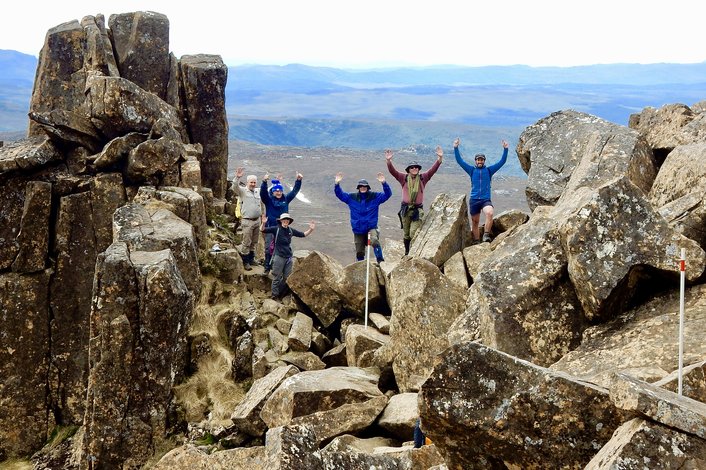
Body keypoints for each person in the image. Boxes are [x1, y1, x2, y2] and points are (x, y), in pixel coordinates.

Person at [385, 146, 443, 255]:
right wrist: (388, 161)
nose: (414, 169)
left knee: (413, 232)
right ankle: (407, 252)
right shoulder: (403, 178)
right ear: (408, 170)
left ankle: (414, 252)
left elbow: (432, 170)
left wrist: (439, 159)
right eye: (412, 167)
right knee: (406, 233)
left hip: (417, 210)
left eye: (416, 167)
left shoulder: (423, 178)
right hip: (405, 209)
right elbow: (393, 172)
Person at [454, 138, 509, 243]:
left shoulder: (489, 170)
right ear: (475, 161)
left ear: (484, 161)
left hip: (485, 199)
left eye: (482, 160)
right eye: (478, 159)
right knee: (475, 222)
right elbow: (459, 161)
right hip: (474, 200)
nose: (480, 161)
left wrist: (505, 149)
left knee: (490, 213)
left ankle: (486, 235)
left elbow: (502, 162)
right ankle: (476, 241)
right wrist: (456, 147)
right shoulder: (471, 170)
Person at [334, 172, 392, 263]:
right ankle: (361, 265)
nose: (363, 188)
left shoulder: (375, 197)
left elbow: (388, 194)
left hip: (371, 227)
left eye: (365, 186)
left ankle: (380, 261)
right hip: (358, 228)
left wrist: (384, 183)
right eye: (361, 186)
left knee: (374, 241)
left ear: (368, 187)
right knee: (359, 250)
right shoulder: (351, 198)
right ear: (358, 188)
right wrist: (337, 184)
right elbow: (339, 194)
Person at [261, 213, 314, 299]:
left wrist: (311, 229)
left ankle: (280, 293)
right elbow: (263, 230)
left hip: (288, 258)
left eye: (287, 220)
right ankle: (274, 295)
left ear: (289, 221)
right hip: (278, 256)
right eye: (284, 219)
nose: (286, 221)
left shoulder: (290, 230)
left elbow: (302, 234)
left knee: (287, 277)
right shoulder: (276, 229)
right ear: (281, 221)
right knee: (276, 277)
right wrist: (263, 223)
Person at [261, 172, 303, 275]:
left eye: (280, 191)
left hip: (283, 229)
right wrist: (264, 182)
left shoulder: (286, 199)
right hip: (271, 228)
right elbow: (263, 194)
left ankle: (280, 269)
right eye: (276, 191)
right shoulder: (269, 201)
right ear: (273, 192)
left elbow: (294, 191)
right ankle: (267, 267)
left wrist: (298, 181)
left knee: (282, 248)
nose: (279, 192)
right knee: (268, 249)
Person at [234, 167, 265, 270]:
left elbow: (265, 195)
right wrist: (237, 178)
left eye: (254, 182)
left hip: (257, 220)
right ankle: (245, 261)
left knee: (254, 241)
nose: (253, 184)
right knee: (246, 241)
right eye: (251, 182)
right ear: (247, 182)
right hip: (247, 221)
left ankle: (252, 259)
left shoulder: (257, 191)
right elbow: (235, 188)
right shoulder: (243, 191)